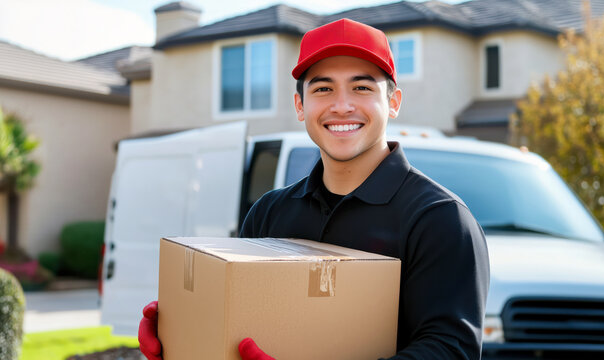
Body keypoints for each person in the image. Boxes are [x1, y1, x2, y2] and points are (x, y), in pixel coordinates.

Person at [139, 18, 490, 360]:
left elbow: (450, 349)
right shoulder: (269, 212)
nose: (341, 105)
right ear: (300, 106)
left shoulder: (440, 219)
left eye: (362, 87)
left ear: (394, 102)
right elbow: (237, 317)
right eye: (323, 89)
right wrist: (185, 332)